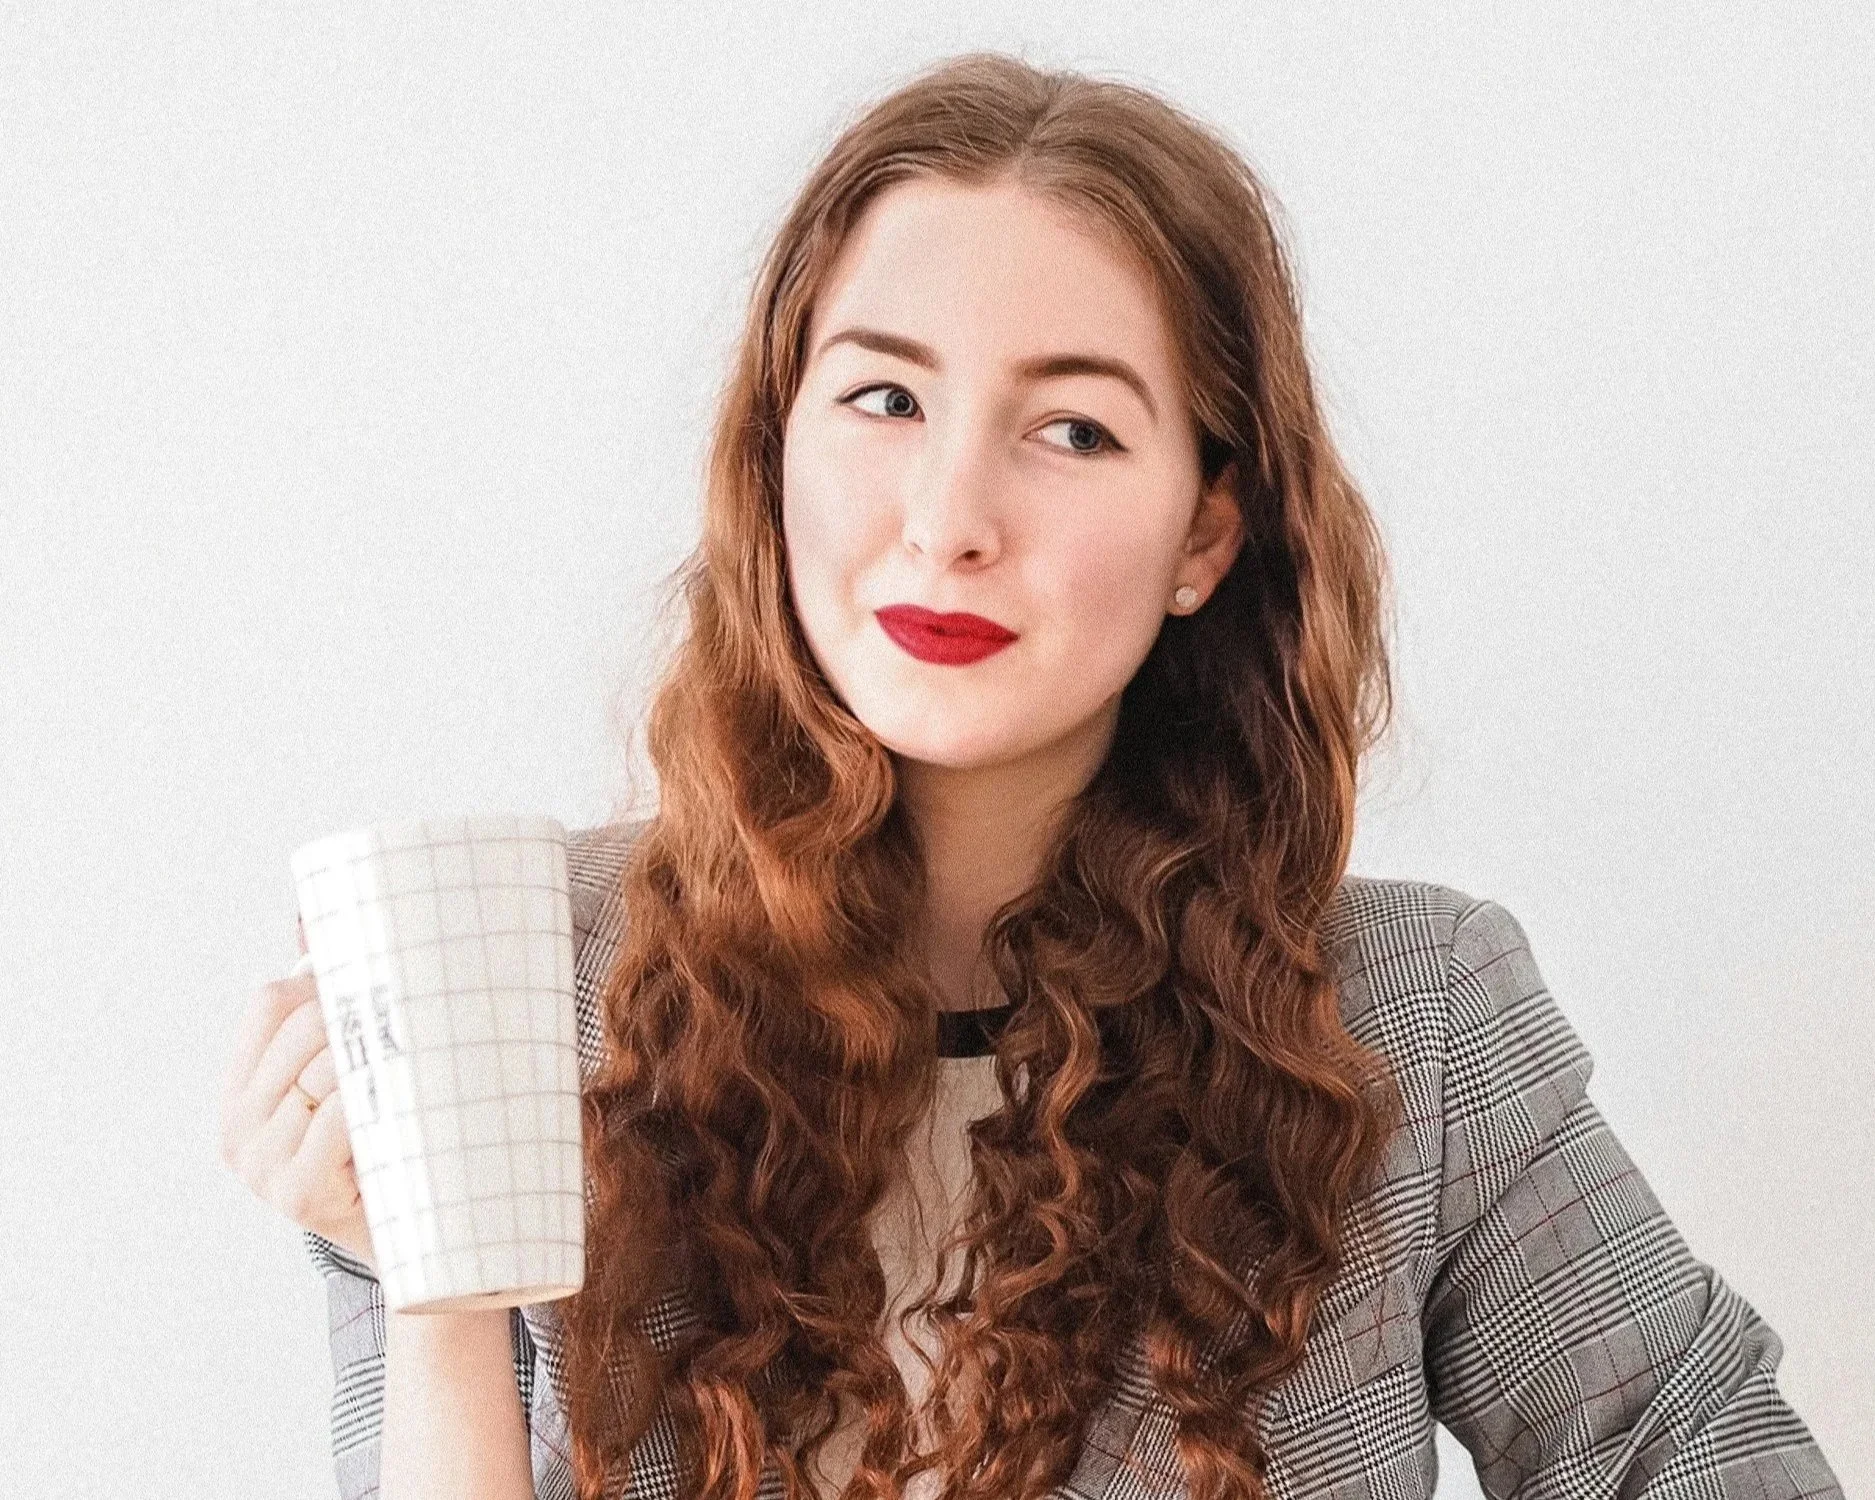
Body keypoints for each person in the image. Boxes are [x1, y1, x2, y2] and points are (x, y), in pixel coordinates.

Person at [220, 50, 1844, 1500]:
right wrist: (431, 1298)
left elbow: (1696, 1456)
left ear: (1206, 529)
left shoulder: (1410, 1017)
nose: (945, 517)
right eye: (881, 397)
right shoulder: (528, 992)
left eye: (1070, 431)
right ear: (772, 453)